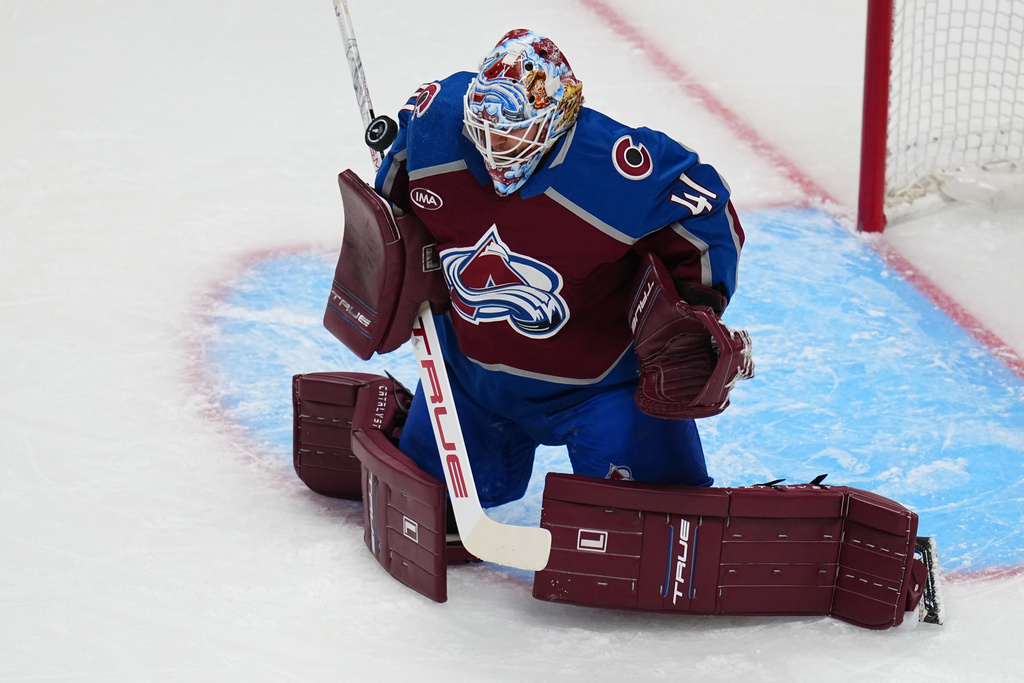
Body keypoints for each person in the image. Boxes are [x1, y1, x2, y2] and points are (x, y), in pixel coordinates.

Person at [372, 28, 748, 508]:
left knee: (651, 527)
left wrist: (694, 307)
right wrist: (393, 227)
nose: (495, 146)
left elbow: (705, 210)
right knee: (438, 505)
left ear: (558, 119)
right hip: (471, 377)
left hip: (603, 387)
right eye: (484, 126)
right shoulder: (437, 126)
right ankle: (415, 427)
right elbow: (394, 182)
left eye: (514, 130)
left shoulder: (615, 169)